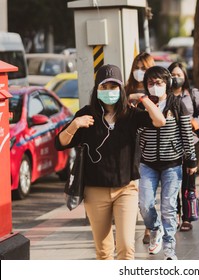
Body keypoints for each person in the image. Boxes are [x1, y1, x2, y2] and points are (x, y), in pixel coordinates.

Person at [55, 64, 165, 260]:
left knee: (126, 247)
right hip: (95, 191)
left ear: (121, 89)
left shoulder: (130, 114)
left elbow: (159, 121)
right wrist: (75, 124)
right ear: (97, 89)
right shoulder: (86, 115)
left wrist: (142, 98)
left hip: (126, 189)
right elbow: (60, 143)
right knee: (104, 250)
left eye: (113, 87)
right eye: (104, 87)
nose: (109, 91)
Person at [138, 66, 197, 260]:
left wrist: (191, 160)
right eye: (151, 83)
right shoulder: (142, 105)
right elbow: (136, 134)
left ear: (167, 84)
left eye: (159, 83)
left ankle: (169, 249)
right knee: (145, 205)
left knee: (169, 207)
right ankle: (155, 228)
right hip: (147, 164)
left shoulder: (177, 104)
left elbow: (186, 134)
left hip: (172, 164)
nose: (155, 87)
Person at [167, 62, 199, 232]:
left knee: (188, 182)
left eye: (179, 74)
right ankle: (174, 214)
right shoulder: (164, 96)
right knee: (171, 182)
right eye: (172, 75)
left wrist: (196, 123)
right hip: (169, 145)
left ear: (184, 76)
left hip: (189, 143)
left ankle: (188, 217)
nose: (176, 78)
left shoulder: (192, 94)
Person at [124, 52, 156, 245]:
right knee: (131, 190)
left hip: (149, 146)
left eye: (143, 68)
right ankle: (129, 226)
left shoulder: (153, 91)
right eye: (137, 68)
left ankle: (148, 228)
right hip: (129, 145)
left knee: (146, 194)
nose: (139, 72)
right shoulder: (126, 90)